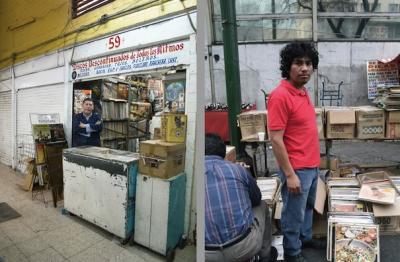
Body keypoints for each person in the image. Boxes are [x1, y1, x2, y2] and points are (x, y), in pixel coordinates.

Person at [267, 42, 324, 262]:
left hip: (311, 165)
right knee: (292, 213)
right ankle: (292, 252)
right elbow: (276, 139)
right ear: (287, 66)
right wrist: (289, 174)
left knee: (308, 207)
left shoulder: (302, 91)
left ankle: (305, 237)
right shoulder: (280, 96)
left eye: (308, 63)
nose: (304, 68)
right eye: (298, 63)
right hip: (296, 169)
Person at [205, 133, 276, 262]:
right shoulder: (237, 170)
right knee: (262, 205)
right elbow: (256, 198)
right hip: (243, 247)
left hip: (207, 254)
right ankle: (266, 256)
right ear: (223, 153)